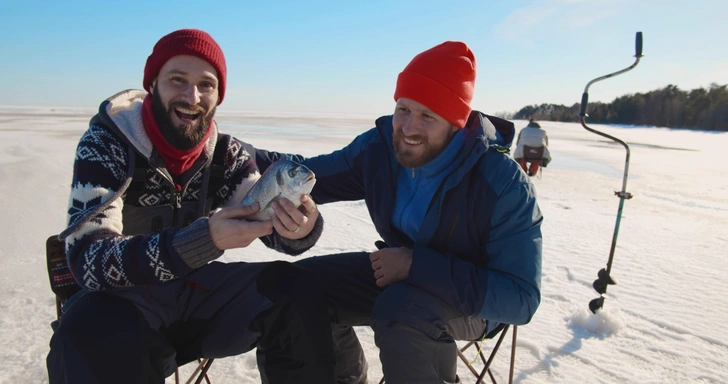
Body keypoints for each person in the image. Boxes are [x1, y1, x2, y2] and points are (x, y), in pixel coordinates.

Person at [46, 29, 336, 384]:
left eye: (206, 84)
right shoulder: (107, 144)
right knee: (83, 336)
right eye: (177, 80)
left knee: (298, 290)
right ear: (153, 85)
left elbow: (259, 213)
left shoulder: (225, 154)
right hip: (121, 309)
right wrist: (204, 239)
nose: (192, 96)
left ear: (219, 95)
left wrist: (299, 227)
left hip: (195, 301)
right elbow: (88, 259)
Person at [261, 41, 543, 383]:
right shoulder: (379, 151)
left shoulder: (502, 184)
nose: (409, 128)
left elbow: (521, 298)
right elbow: (309, 174)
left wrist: (414, 265)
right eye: (403, 109)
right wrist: (238, 155)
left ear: (455, 122)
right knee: (296, 288)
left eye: (427, 116)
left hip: (472, 304)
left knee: (403, 312)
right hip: (397, 279)